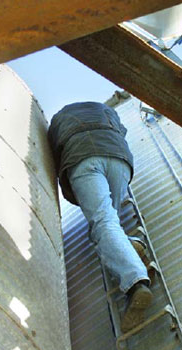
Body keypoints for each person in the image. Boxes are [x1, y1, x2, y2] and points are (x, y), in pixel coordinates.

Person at [48, 101, 153, 333]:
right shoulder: (106, 111)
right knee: (110, 222)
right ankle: (132, 246)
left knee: (103, 223)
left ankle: (136, 282)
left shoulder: (58, 119)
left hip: (83, 158)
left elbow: (52, 158)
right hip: (118, 158)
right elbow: (122, 132)